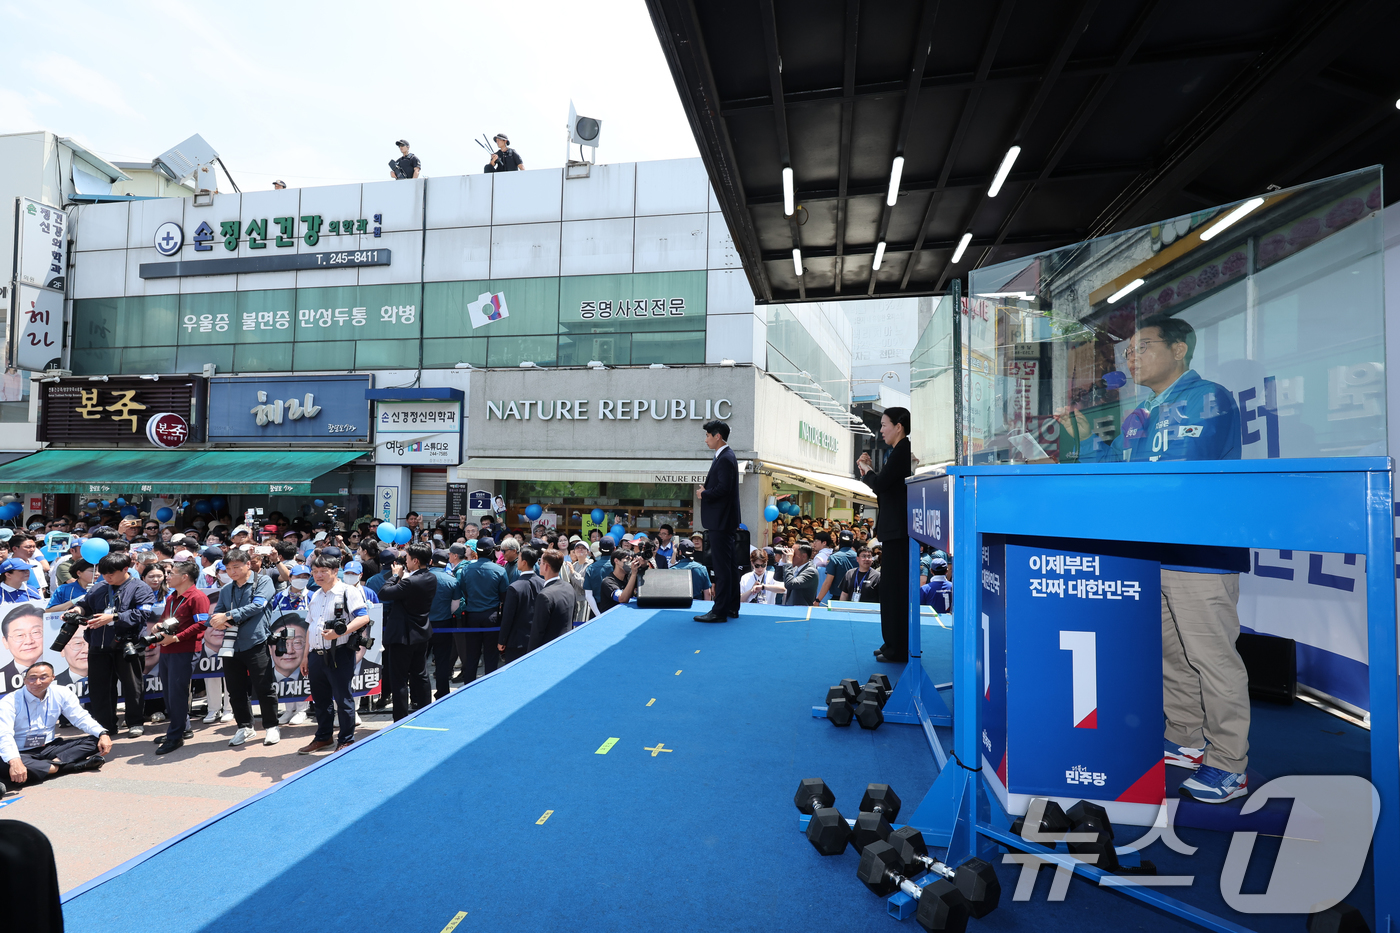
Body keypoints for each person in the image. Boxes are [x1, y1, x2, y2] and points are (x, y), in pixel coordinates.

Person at [1096, 316, 1249, 804]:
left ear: (1179, 350)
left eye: (1143, 347)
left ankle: (1230, 763)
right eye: (1128, 351)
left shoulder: (1209, 398)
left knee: (1212, 658)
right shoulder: (1142, 411)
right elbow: (1116, 466)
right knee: (1171, 654)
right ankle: (1186, 737)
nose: (1131, 357)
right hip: (1153, 552)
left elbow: (1180, 465)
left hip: (1198, 552)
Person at [68, 553, 156, 735]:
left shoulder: (141, 588)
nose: (106, 578)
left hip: (127, 644)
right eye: (103, 574)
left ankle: (135, 722)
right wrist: (77, 610)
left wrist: (114, 617)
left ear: (125, 569)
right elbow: (86, 604)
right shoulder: (99, 587)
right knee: (99, 688)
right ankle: (105, 725)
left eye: (111, 574)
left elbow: (142, 615)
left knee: (133, 686)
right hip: (98, 644)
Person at [297, 555, 371, 754]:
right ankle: (324, 737)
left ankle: (346, 740)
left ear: (335, 571)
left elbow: (364, 617)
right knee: (320, 700)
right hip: (315, 655)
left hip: (339, 653)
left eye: (323, 571)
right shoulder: (315, 595)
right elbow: (310, 627)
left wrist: (339, 632)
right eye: (315, 572)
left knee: (343, 698)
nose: (318, 575)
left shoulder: (348, 592)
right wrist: (305, 656)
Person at [0, 663, 111, 791]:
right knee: (5, 762)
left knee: (96, 741)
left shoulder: (61, 692)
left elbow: (80, 717)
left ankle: (40, 770)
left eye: (43, 677)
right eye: (32, 677)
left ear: (53, 678)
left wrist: (103, 733)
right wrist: (15, 761)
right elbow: (4, 734)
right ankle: (71, 767)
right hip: (20, 751)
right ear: (25, 680)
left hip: (49, 747)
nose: (37, 682)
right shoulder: (9, 702)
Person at [858, 407, 913, 663]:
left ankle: (897, 647)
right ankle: (891, 642)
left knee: (895, 592)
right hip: (894, 531)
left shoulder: (901, 453)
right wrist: (870, 473)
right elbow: (884, 488)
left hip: (898, 531)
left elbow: (880, 486)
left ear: (898, 426)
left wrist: (868, 473)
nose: (881, 430)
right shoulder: (897, 453)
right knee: (890, 591)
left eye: (884, 424)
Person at [210, 548, 280, 747]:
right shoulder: (226, 589)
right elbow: (217, 614)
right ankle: (244, 727)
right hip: (230, 645)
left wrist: (228, 617)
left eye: (236, 567)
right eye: (228, 568)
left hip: (256, 641)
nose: (232, 572)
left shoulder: (263, 581)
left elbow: (258, 606)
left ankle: (271, 726)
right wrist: (216, 621)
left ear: (248, 565)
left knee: (264, 686)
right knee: (235, 690)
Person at [152, 561, 208, 756]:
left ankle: (175, 736)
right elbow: (165, 619)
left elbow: (202, 624)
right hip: (167, 650)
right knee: (168, 692)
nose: (167, 576)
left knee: (177, 693)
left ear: (185, 577)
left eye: (172, 573)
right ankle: (182, 728)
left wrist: (176, 637)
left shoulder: (197, 596)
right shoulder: (172, 597)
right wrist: (158, 627)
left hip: (184, 650)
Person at [377, 542, 434, 719]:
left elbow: (384, 593)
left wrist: (395, 576)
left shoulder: (409, 582)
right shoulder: (431, 577)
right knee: (421, 674)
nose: (405, 562)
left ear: (415, 561)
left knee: (399, 678)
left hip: (402, 637)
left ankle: (400, 717)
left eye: (407, 559)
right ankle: (426, 710)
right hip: (421, 633)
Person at [694, 420, 740, 623]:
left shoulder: (725, 458)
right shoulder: (724, 457)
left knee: (722, 568)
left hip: (721, 521)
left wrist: (704, 494)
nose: (705, 440)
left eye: (707, 435)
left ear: (717, 436)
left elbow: (724, 489)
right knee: (728, 566)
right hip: (723, 520)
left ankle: (720, 610)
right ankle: (730, 607)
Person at [455, 540, 507, 684]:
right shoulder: (499, 570)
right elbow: (504, 595)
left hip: (472, 616)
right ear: (492, 552)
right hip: (492, 616)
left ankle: (469, 686)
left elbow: (464, 591)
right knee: (491, 655)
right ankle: (490, 687)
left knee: (472, 654)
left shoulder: (466, 569)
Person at [498, 547, 544, 663]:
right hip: (538, 638)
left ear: (524, 562)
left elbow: (507, 617)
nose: (517, 561)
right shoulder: (543, 584)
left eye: (518, 558)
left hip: (517, 641)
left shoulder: (514, 587)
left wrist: (502, 640)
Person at [426, 549, 461, 701]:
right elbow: (455, 606)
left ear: (431, 561)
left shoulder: (422, 577)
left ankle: (421, 695)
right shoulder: (452, 580)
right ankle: (442, 693)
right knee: (442, 661)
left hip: (423, 623)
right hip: (444, 623)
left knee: (420, 662)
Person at [529, 551, 574, 651]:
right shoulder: (569, 587)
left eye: (540, 561)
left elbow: (538, 631)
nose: (539, 564)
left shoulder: (544, 595)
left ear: (546, 566)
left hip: (549, 650)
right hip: (567, 646)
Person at [0, 605, 46, 696]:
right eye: (19, 635)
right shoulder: (1, 677)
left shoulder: (63, 670)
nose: (29, 641)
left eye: (36, 632)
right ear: (5, 642)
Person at [814, 531, 858, 605]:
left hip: (837, 598)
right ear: (853, 541)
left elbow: (828, 582)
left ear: (838, 541)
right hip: (855, 598)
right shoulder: (858, 557)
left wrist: (818, 600)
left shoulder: (834, 558)